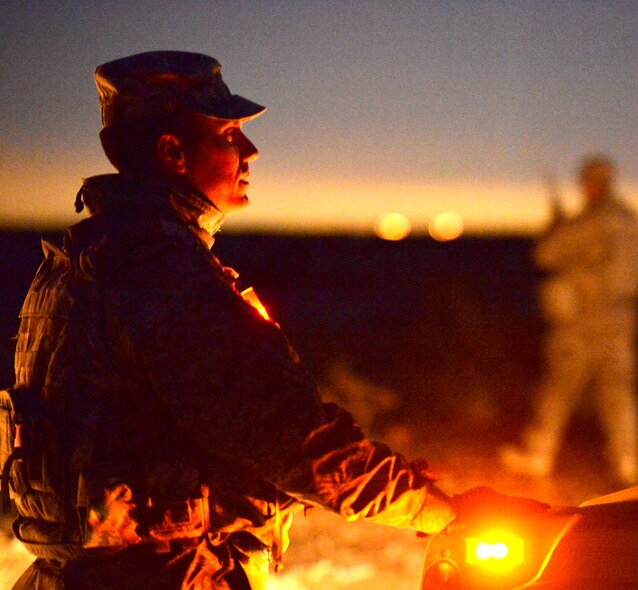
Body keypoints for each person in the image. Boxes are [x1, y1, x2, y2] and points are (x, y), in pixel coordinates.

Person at [3, 51, 457, 589]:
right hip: (162, 576)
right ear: (172, 151)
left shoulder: (78, 262)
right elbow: (290, 439)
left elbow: (172, 441)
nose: (251, 151)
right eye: (228, 135)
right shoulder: (162, 275)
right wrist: (441, 510)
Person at [499, 155, 638, 487]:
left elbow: (545, 254)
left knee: (559, 388)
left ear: (590, 184)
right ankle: (627, 462)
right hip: (622, 318)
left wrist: (557, 224)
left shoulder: (592, 220)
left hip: (585, 319)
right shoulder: (632, 220)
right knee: (619, 392)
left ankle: (538, 455)